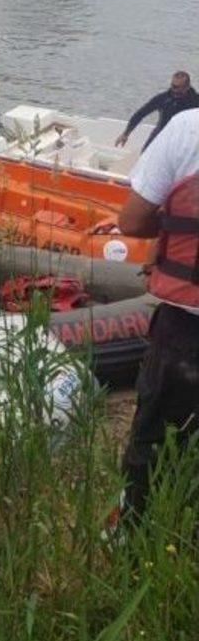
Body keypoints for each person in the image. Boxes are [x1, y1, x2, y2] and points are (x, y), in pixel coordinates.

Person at [118, 107, 199, 518]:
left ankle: (135, 538)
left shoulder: (188, 127)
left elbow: (131, 221)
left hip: (187, 329)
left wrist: (172, 229)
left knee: (155, 444)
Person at [115, 71, 198, 152]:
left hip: (186, 136)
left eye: (178, 87)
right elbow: (141, 113)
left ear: (187, 87)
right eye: (173, 86)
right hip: (162, 132)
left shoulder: (195, 100)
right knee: (145, 154)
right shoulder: (163, 98)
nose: (175, 90)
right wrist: (126, 134)